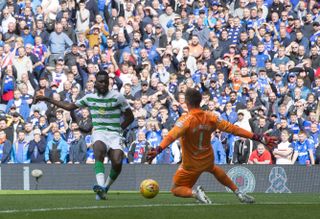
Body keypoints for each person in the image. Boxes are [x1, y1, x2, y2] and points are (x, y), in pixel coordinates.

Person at [147, 88, 278, 204]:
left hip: (190, 164)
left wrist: (158, 150)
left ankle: (195, 193)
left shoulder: (185, 120)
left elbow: (171, 136)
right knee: (214, 170)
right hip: (207, 158)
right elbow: (234, 129)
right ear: (200, 102)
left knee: (176, 189)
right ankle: (238, 192)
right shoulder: (211, 117)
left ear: (186, 103)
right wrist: (258, 137)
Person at [35, 71, 134, 200]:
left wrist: (120, 129)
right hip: (99, 131)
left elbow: (130, 117)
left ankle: (105, 187)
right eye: (100, 81)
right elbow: (69, 106)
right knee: (98, 148)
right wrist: (47, 99)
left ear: (109, 83)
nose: (103, 84)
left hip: (115, 133)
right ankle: (100, 187)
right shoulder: (89, 98)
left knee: (117, 161)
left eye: (105, 82)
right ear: (95, 83)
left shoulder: (117, 97)